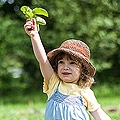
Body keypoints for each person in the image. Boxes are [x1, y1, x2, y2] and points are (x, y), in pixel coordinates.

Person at [24, 18, 111, 120]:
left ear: (83, 70)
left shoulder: (86, 93)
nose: (65, 67)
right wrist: (34, 35)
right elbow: (43, 60)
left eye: (72, 63)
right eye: (61, 62)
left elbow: (99, 115)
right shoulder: (54, 83)